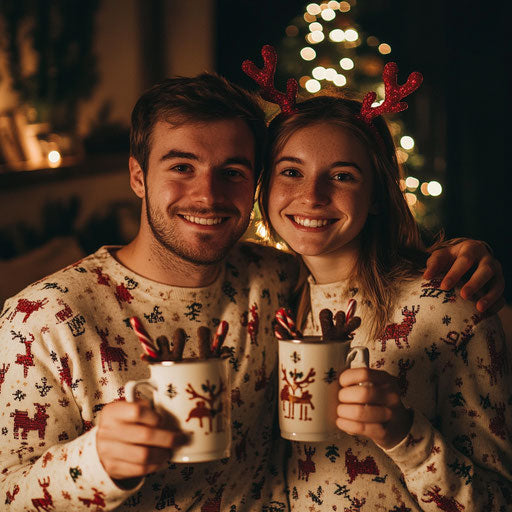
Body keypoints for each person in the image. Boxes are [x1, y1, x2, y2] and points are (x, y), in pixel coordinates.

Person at [0, 73, 505, 512]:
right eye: (181, 166)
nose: (209, 195)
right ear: (137, 176)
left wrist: (461, 257)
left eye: (233, 172)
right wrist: (97, 461)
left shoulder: (273, 281)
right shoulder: (39, 318)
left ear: (254, 184)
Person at [258, 90, 512, 510]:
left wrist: (405, 436)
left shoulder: (448, 307)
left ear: (376, 195)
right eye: (290, 172)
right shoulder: (268, 300)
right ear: (265, 187)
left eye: (342, 176)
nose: (312, 195)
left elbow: (497, 502)